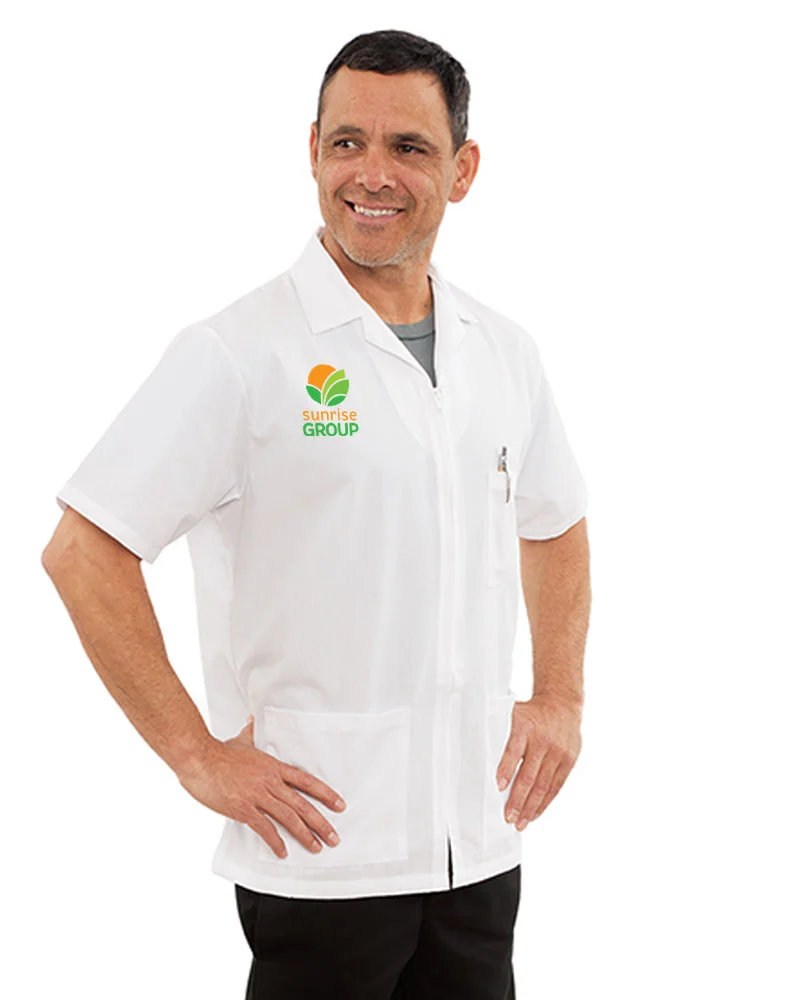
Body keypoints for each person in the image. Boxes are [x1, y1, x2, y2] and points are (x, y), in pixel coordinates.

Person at [42, 28, 591, 1000]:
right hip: (321, 850)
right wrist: (195, 756)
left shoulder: (503, 353)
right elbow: (84, 550)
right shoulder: (238, 352)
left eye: (408, 147)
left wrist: (560, 698)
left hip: (478, 844)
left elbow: (554, 521)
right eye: (346, 143)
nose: (370, 174)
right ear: (311, 151)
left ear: (462, 170)